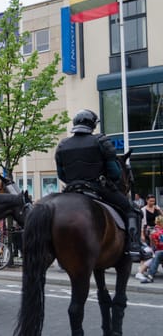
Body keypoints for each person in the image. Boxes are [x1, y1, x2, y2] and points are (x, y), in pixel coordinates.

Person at [55, 109, 149, 262]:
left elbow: (61, 175)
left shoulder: (62, 145)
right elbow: (115, 173)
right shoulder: (101, 141)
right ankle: (135, 247)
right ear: (92, 125)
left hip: (71, 190)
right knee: (133, 210)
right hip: (97, 187)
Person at [140, 215, 163, 283]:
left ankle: (149, 275)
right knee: (155, 254)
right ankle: (149, 275)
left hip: (158, 251)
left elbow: (154, 245)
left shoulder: (153, 232)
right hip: (159, 251)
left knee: (155, 254)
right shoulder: (154, 232)